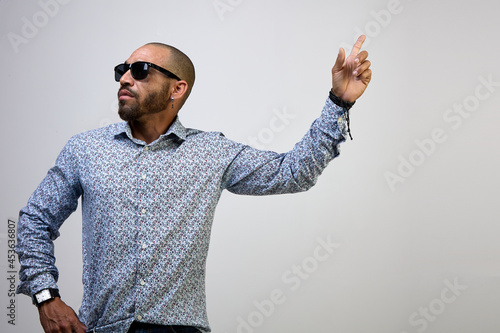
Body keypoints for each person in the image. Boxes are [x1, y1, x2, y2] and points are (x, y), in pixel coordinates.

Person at [15, 36, 372, 333]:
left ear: (177, 88)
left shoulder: (211, 152)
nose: (125, 79)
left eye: (139, 71)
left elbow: (294, 172)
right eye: (121, 71)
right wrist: (46, 296)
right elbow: (34, 219)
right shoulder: (85, 149)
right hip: (103, 328)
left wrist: (338, 102)